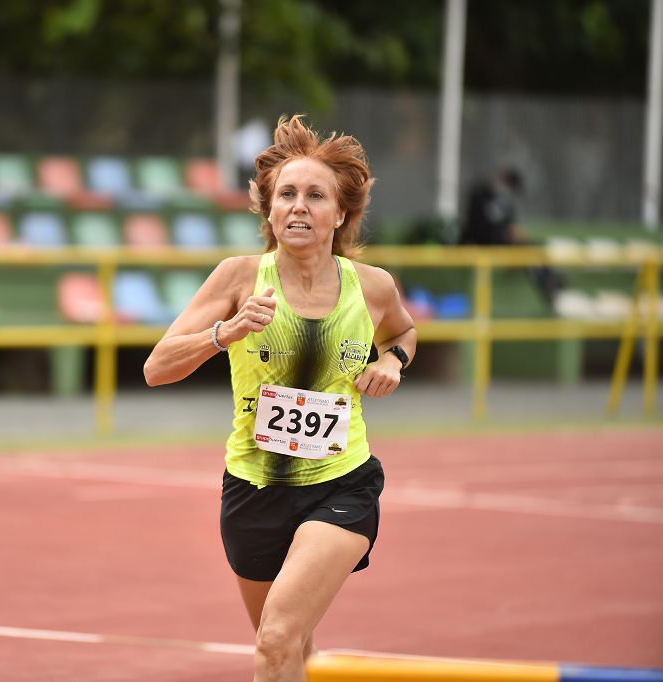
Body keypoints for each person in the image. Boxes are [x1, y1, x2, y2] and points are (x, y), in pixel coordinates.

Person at [144, 115, 416, 681]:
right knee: (295, 655)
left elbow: (403, 332)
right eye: (286, 194)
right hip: (253, 487)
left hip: (341, 483)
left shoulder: (372, 287)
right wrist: (226, 332)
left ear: (340, 214)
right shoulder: (238, 279)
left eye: (315, 195)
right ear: (268, 210)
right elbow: (156, 368)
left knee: (275, 640)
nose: (299, 206)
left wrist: (393, 361)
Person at [460, 168, 563, 306]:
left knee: (534, 248)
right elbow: (476, 225)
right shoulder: (480, 194)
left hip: (501, 243)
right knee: (526, 251)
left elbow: (509, 227)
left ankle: (551, 282)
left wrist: (516, 237)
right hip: (482, 243)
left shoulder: (505, 202)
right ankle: (549, 286)